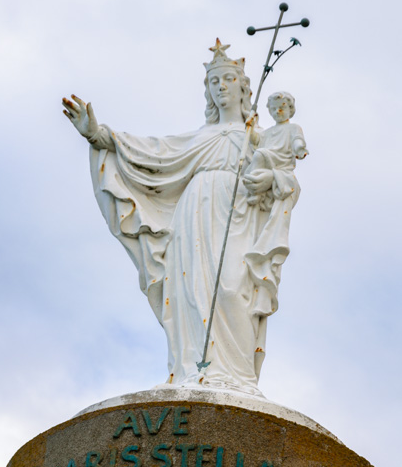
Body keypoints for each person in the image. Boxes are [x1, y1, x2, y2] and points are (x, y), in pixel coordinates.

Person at [62, 40, 303, 397]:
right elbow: (154, 153)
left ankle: (236, 378)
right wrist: (99, 134)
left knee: (233, 289)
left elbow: (288, 182)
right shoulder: (200, 137)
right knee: (192, 293)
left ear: (243, 88)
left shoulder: (259, 138)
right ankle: (191, 371)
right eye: (213, 82)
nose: (220, 87)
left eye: (227, 80)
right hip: (194, 215)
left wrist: (270, 178)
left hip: (239, 215)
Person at [243, 91, 308, 212]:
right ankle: (255, 189)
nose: (277, 111)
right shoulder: (268, 132)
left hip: (281, 160)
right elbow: (256, 140)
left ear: (290, 109)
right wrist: (250, 128)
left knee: (260, 154)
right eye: (274, 108)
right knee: (259, 155)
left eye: (282, 107)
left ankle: (256, 191)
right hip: (266, 158)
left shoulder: (293, 128)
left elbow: (297, 140)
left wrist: (300, 149)